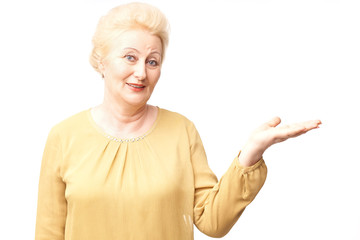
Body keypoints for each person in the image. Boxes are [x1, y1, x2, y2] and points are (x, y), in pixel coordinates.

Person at [35, 2, 321, 240]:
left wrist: (251, 153)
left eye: (152, 61)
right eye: (130, 57)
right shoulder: (63, 137)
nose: (141, 73)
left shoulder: (181, 131)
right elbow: (48, 233)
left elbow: (212, 221)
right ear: (101, 61)